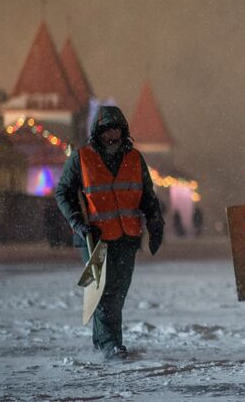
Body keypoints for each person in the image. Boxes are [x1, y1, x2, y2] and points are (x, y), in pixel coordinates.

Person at [55, 105, 164, 360]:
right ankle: (111, 344)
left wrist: (155, 222)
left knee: (119, 289)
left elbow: (147, 195)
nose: (111, 135)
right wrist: (77, 223)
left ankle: (102, 340)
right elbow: (63, 192)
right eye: (106, 130)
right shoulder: (81, 158)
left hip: (127, 236)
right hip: (94, 237)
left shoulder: (135, 159)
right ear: (97, 132)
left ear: (123, 130)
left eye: (116, 129)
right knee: (103, 291)